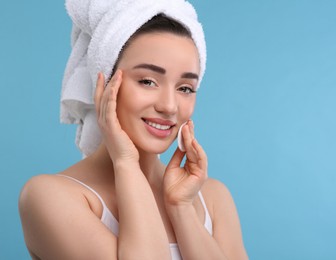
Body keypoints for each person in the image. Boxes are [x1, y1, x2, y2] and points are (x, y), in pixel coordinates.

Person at [19, 0, 248, 259]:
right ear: (103, 85)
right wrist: (126, 163)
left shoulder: (212, 197)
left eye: (185, 88)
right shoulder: (51, 197)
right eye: (148, 81)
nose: (169, 106)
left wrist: (181, 208)